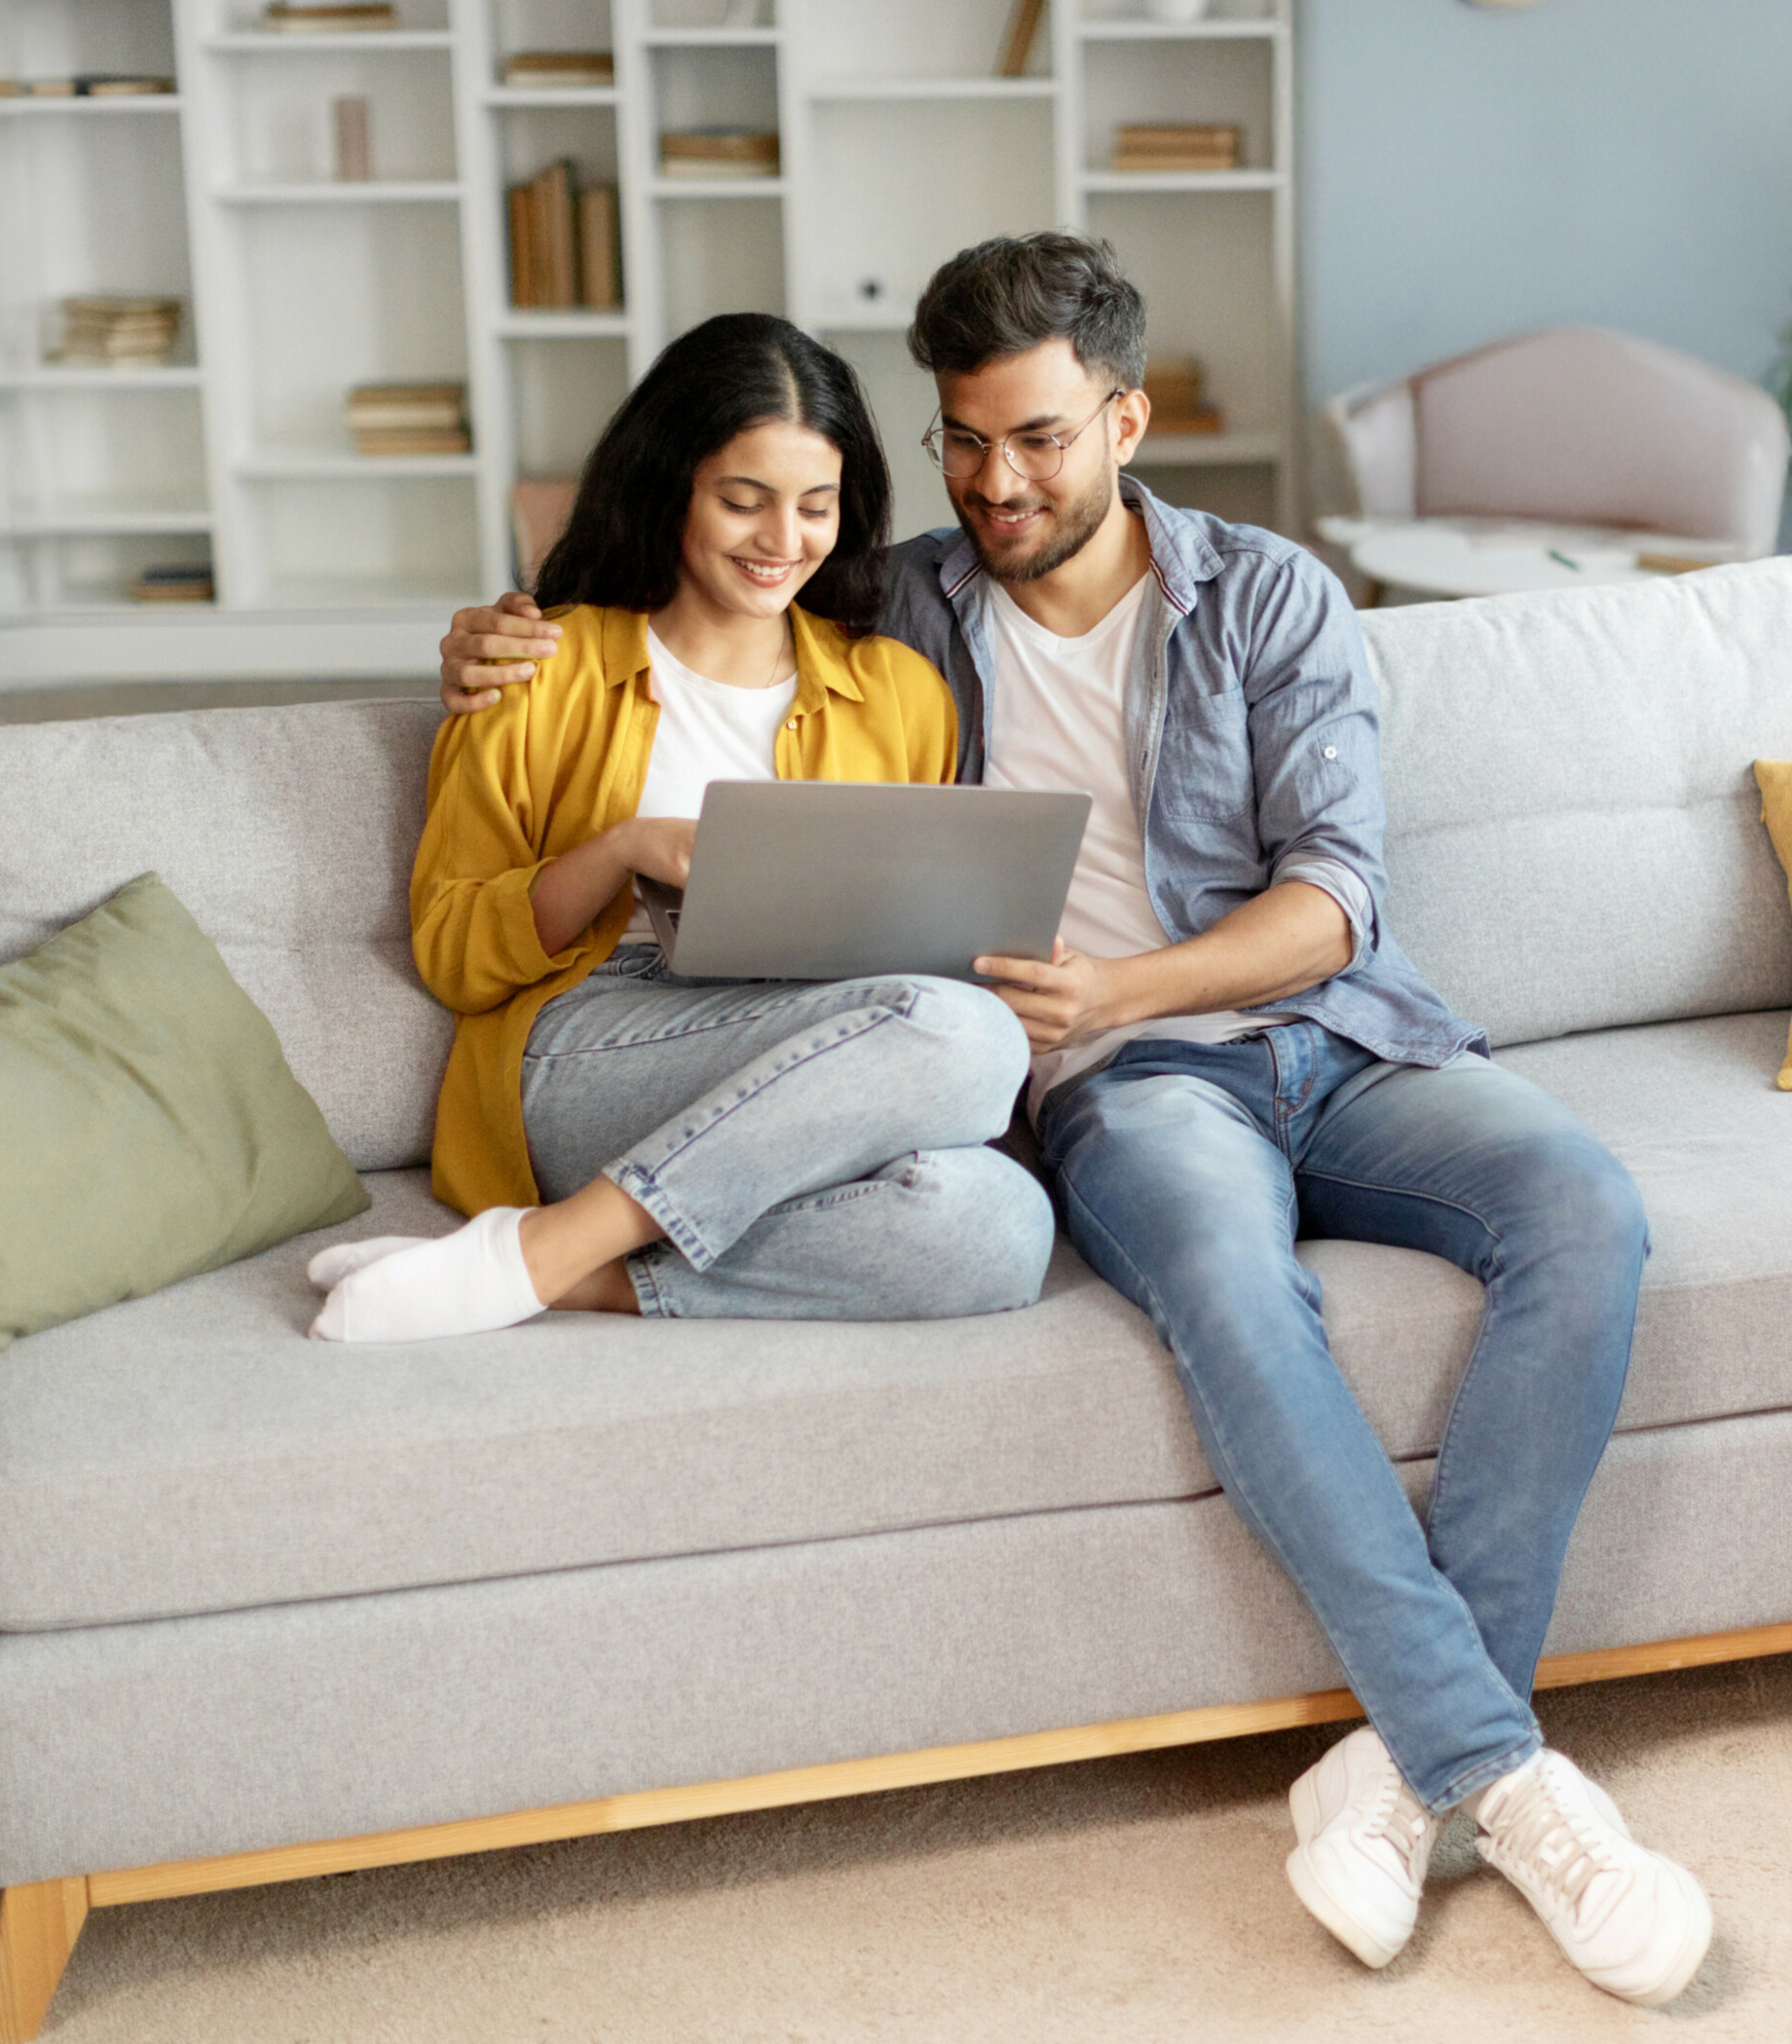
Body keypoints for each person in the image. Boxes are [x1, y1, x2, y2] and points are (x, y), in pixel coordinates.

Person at [433, 240, 1712, 2007]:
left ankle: (1429, 1757)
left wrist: (1125, 980)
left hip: (1335, 1035)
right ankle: (1514, 1779)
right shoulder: (900, 614)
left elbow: (1336, 898)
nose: (999, 482)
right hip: (1125, 1094)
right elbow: (705, 595)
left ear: (1124, 415)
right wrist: (487, 625)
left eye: (1035, 438)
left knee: (1584, 1201)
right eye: (963, 442)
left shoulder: (1267, 595)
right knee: (1232, 1279)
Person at [311, 312, 1052, 1345]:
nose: (780, 542)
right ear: (674, 489)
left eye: (815, 506)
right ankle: (556, 1237)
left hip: (811, 1039)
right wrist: (621, 849)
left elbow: (922, 960)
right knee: (961, 1034)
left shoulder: (900, 693)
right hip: (590, 1044)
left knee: (1001, 1223)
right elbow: (452, 952)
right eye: (742, 501)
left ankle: (551, 1264)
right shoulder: (539, 665)